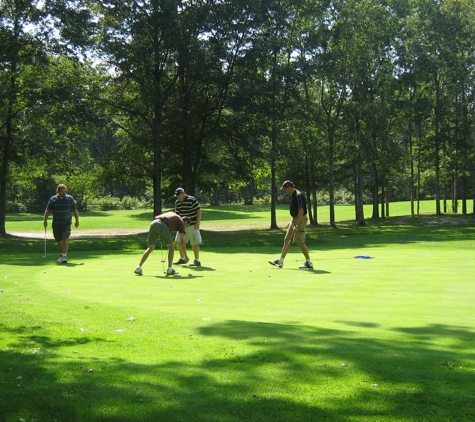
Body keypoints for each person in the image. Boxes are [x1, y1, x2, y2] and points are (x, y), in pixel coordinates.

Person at [268, 180, 313, 269]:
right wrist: (291, 221)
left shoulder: (298, 195)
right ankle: (280, 261)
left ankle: (309, 262)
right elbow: (295, 211)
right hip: (295, 219)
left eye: (285, 189)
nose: (285, 191)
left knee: (300, 242)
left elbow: (301, 211)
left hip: (301, 219)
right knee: (287, 239)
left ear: (289, 187)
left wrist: (296, 225)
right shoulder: (292, 195)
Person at [134, 212, 190, 276]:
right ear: (185, 221)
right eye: (187, 225)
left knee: (150, 247)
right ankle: (170, 269)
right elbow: (182, 241)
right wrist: (185, 256)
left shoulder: (173, 217)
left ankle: (139, 267)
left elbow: (168, 228)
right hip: (162, 225)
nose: (185, 227)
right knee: (171, 246)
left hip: (154, 223)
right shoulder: (181, 222)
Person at [43, 183, 80, 264]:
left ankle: (64, 256)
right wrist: (45, 220)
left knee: (65, 238)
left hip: (66, 223)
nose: (64, 193)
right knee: (59, 239)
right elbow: (48, 210)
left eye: (65, 191)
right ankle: (61, 255)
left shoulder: (70, 199)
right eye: (62, 191)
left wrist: (77, 221)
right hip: (56, 223)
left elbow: (75, 210)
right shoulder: (53, 199)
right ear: (58, 191)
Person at [173, 187, 203, 267]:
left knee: (194, 242)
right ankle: (182, 258)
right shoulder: (177, 202)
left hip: (192, 224)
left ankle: (197, 260)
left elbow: (199, 211)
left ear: (183, 193)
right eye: (177, 196)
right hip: (182, 226)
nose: (178, 197)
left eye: (179, 195)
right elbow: (177, 214)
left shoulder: (192, 199)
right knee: (178, 241)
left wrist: (197, 223)